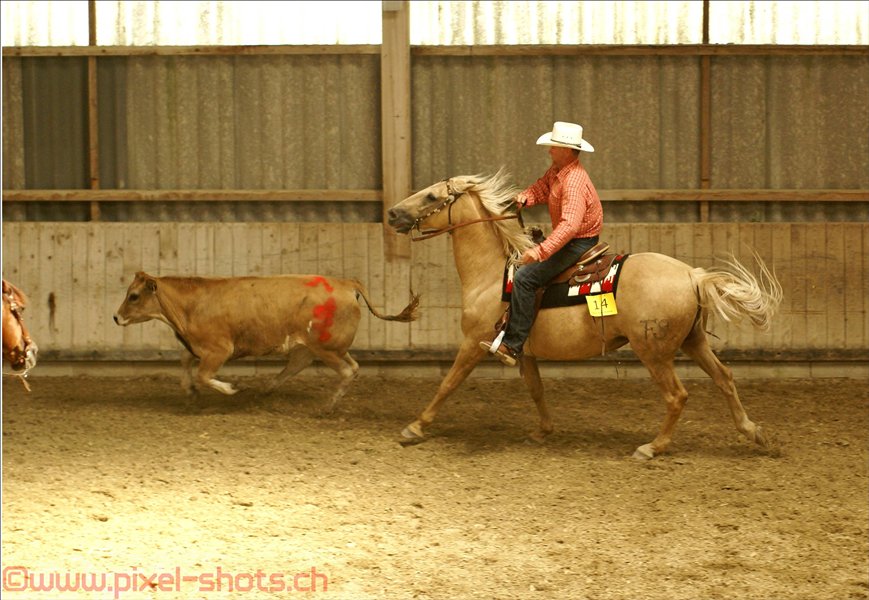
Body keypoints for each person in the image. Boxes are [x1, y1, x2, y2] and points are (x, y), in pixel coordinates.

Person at [479, 121, 603, 366]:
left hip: (578, 242)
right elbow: (542, 188)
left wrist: (540, 251)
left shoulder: (573, 182)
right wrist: (525, 197)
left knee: (524, 279)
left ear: (566, 150)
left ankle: (513, 345)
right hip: (573, 238)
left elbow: (569, 226)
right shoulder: (558, 171)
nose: (549, 150)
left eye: (553, 146)